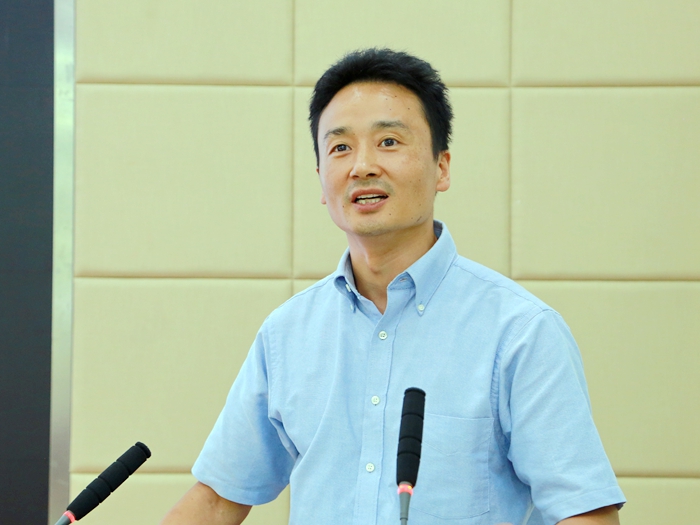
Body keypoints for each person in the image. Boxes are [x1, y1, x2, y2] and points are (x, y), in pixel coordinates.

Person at [161, 48, 625, 525]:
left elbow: (585, 514)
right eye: (340, 148)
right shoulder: (287, 334)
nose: (362, 166)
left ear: (442, 167)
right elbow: (216, 502)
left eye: (388, 141)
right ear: (321, 180)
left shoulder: (520, 332)